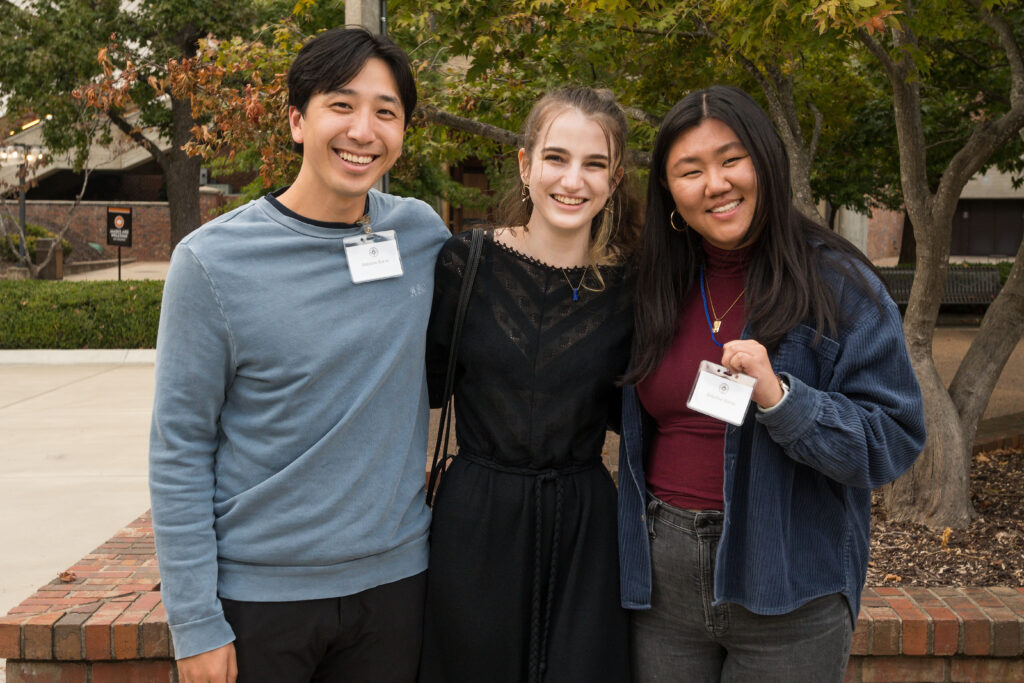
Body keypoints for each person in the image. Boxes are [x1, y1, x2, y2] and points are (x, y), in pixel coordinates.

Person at [149, 27, 449, 683]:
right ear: (295, 120)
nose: (363, 130)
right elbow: (179, 447)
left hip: (397, 587)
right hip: (261, 600)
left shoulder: (421, 235)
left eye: (385, 112)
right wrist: (194, 620)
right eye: (341, 105)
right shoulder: (210, 263)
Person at [617, 85, 926, 682]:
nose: (716, 183)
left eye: (732, 160)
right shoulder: (654, 283)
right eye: (690, 170)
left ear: (767, 161)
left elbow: (892, 440)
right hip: (662, 581)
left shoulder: (841, 286)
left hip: (791, 578)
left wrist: (784, 400)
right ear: (670, 194)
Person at [418, 87, 640, 683]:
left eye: (595, 164)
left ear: (615, 180)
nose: (574, 180)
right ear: (525, 164)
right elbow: (418, 392)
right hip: (476, 522)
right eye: (556, 157)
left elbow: (645, 408)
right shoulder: (464, 264)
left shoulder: (632, 290)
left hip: (586, 532)